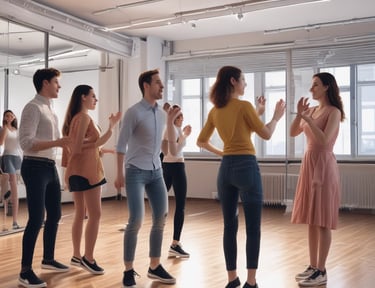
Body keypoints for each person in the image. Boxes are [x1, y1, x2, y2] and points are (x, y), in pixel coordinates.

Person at [196, 66, 285, 288]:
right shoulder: (243, 106)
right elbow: (265, 134)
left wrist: (225, 152)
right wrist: (275, 117)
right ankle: (251, 282)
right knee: (253, 228)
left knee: (229, 226)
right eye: (244, 80)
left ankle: (231, 279)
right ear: (234, 81)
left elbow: (201, 140)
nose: (246, 84)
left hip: (225, 169)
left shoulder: (216, 110)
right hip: (246, 166)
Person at [115, 69, 177, 287]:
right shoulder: (133, 112)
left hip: (156, 171)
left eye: (162, 83)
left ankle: (154, 266)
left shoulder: (161, 114)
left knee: (161, 217)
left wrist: (171, 122)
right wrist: (118, 173)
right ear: (146, 86)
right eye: (158, 83)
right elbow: (121, 145)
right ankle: (128, 270)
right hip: (135, 171)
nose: (162, 86)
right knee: (136, 220)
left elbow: (164, 144)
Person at [290, 72, 344, 287]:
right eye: (311, 85)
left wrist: (309, 121)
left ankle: (322, 269)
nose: (311, 89)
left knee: (322, 221)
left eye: (315, 85)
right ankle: (313, 266)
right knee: (311, 220)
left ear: (327, 87)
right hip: (309, 164)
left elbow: (324, 139)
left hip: (324, 164)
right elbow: (293, 132)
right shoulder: (311, 110)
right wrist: (299, 115)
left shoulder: (334, 112)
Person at [18, 68, 70, 288]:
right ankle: (25, 270)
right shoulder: (32, 107)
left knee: (55, 214)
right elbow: (26, 143)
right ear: (45, 83)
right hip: (34, 167)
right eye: (57, 82)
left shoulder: (51, 109)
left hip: (49, 167)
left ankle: (48, 259)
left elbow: (55, 143)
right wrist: (58, 143)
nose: (59, 86)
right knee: (37, 218)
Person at [61, 84, 121, 275]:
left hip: (77, 171)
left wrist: (102, 149)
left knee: (80, 214)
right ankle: (89, 258)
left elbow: (79, 146)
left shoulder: (76, 119)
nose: (96, 99)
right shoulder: (84, 117)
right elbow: (78, 147)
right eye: (93, 96)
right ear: (83, 97)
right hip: (88, 173)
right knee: (95, 215)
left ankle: (77, 255)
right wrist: (111, 129)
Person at [161, 104, 191, 258]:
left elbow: (165, 150)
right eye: (179, 116)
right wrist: (185, 136)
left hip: (168, 166)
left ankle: (174, 243)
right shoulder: (172, 129)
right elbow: (174, 150)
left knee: (163, 201)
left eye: (181, 116)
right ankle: (174, 243)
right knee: (180, 206)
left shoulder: (171, 129)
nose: (181, 119)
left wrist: (183, 134)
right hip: (176, 167)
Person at [0, 110, 23, 229]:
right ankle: (4, 195)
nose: (9, 117)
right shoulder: (5, 129)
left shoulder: (17, 130)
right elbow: (1, 143)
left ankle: (15, 221)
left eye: (11, 115)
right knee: (11, 183)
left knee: (15, 190)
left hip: (17, 158)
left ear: (14, 117)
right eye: (7, 116)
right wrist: (3, 130)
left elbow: (21, 146)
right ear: (4, 118)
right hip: (7, 157)